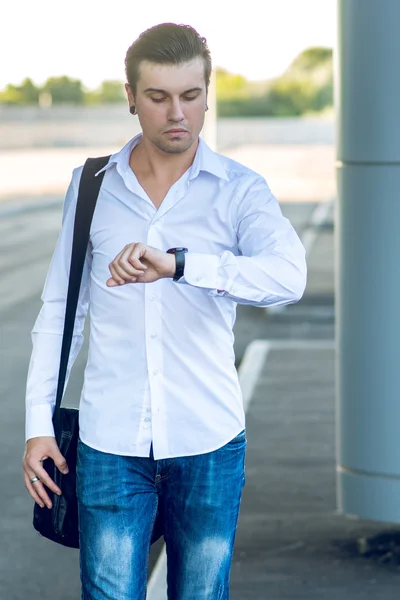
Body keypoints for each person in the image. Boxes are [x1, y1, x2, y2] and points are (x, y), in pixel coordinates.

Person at [23, 22, 307, 600]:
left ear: (207, 96)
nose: (176, 112)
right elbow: (60, 313)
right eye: (158, 97)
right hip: (110, 443)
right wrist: (38, 426)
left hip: (209, 439)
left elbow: (287, 276)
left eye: (191, 95)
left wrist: (182, 264)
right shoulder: (92, 185)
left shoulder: (239, 190)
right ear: (131, 98)